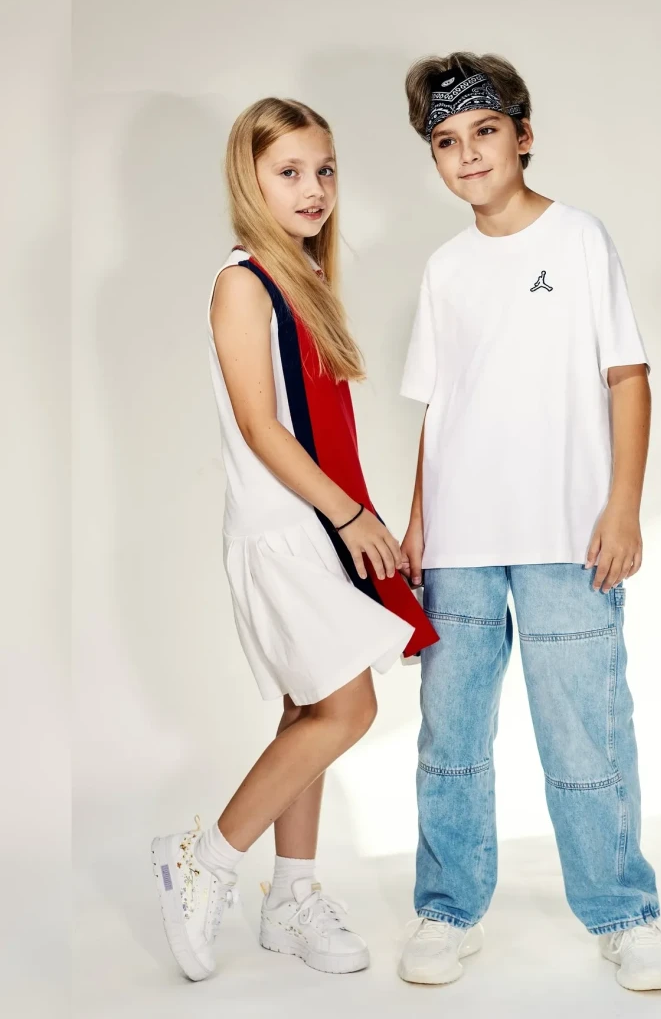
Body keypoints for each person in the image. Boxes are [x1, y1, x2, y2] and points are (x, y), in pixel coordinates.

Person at [396, 53, 661, 992]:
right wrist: (417, 526)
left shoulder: (580, 239)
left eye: (484, 131)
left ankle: (623, 913)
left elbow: (627, 376)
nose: (468, 154)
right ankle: (447, 910)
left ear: (522, 134)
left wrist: (623, 505)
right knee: (450, 743)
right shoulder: (445, 269)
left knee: (586, 738)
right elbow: (436, 408)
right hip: (460, 546)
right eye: (446, 141)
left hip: (567, 536)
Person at [151, 97, 437, 982]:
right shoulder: (243, 281)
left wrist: (359, 516)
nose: (314, 188)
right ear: (250, 179)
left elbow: (323, 433)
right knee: (349, 710)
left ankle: (291, 897)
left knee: (310, 710)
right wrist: (352, 518)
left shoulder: (302, 278)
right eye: (289, 172)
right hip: (281, 532)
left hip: (314, 525)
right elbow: (261, 426)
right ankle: (203, 860)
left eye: (325, 170)